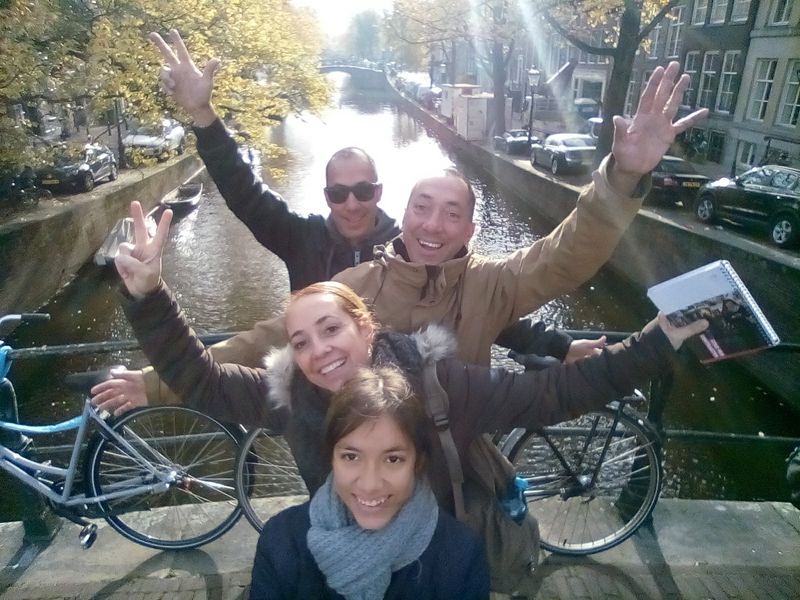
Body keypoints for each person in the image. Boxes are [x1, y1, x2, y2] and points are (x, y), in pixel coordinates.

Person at [116, 200, 707, 551]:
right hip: (340, 543)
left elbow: (554, 393)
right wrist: (148, 295)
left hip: (434, 550)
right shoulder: (289, 397)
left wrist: (657, 341)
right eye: (300, 341)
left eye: (330, 330)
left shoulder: (441, 386)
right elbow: (200, 378)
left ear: (365, 330)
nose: (318, 352)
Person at [249, 366, 490, 599]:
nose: (370, 484)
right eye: (351, 457)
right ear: (331, 458)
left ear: (418, 462)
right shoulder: (282, 543)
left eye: (393, 459)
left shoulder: (460, 556)